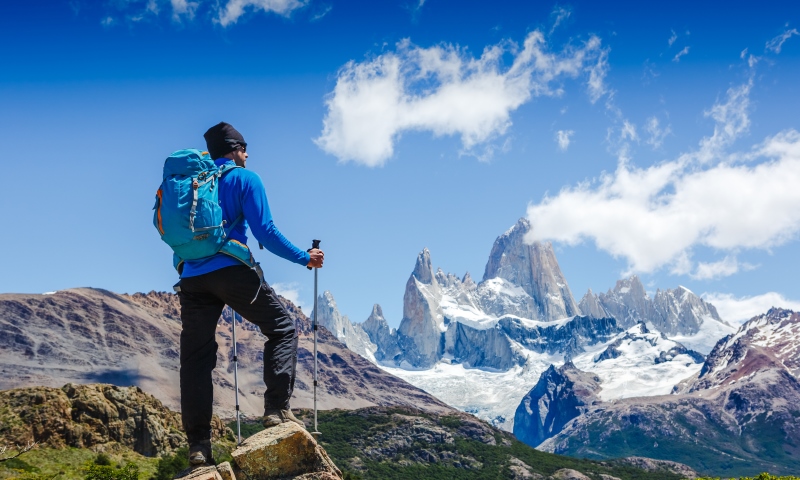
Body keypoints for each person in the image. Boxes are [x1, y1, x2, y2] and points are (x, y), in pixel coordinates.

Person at [176, 122, 324, 466]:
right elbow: (266, 232)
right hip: (232, 270)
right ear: (235, 150)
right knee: (283, 328)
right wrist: (305, 258)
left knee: (195, 360)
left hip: (192, 277)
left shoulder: (192, 185)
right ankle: (275, 411)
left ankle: (198, 446)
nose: (247, 155)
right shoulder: (244, 179)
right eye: (244, 148)